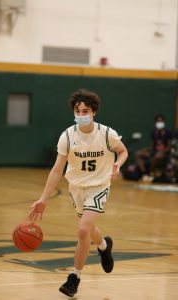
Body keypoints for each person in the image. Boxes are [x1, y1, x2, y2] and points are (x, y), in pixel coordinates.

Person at [29, 88, 128, 297]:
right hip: (76, 189)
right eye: (78, 111)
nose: (81, 115)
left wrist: (118, 164)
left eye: (86, 111)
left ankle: (74, 278)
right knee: (89, 230)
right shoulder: (67, 136)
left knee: (83, 229)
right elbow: (57, 170)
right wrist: (43, 199)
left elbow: (123, 150)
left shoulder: (106, 133)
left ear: (94, 112)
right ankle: (103, 245)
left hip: (99, 186)